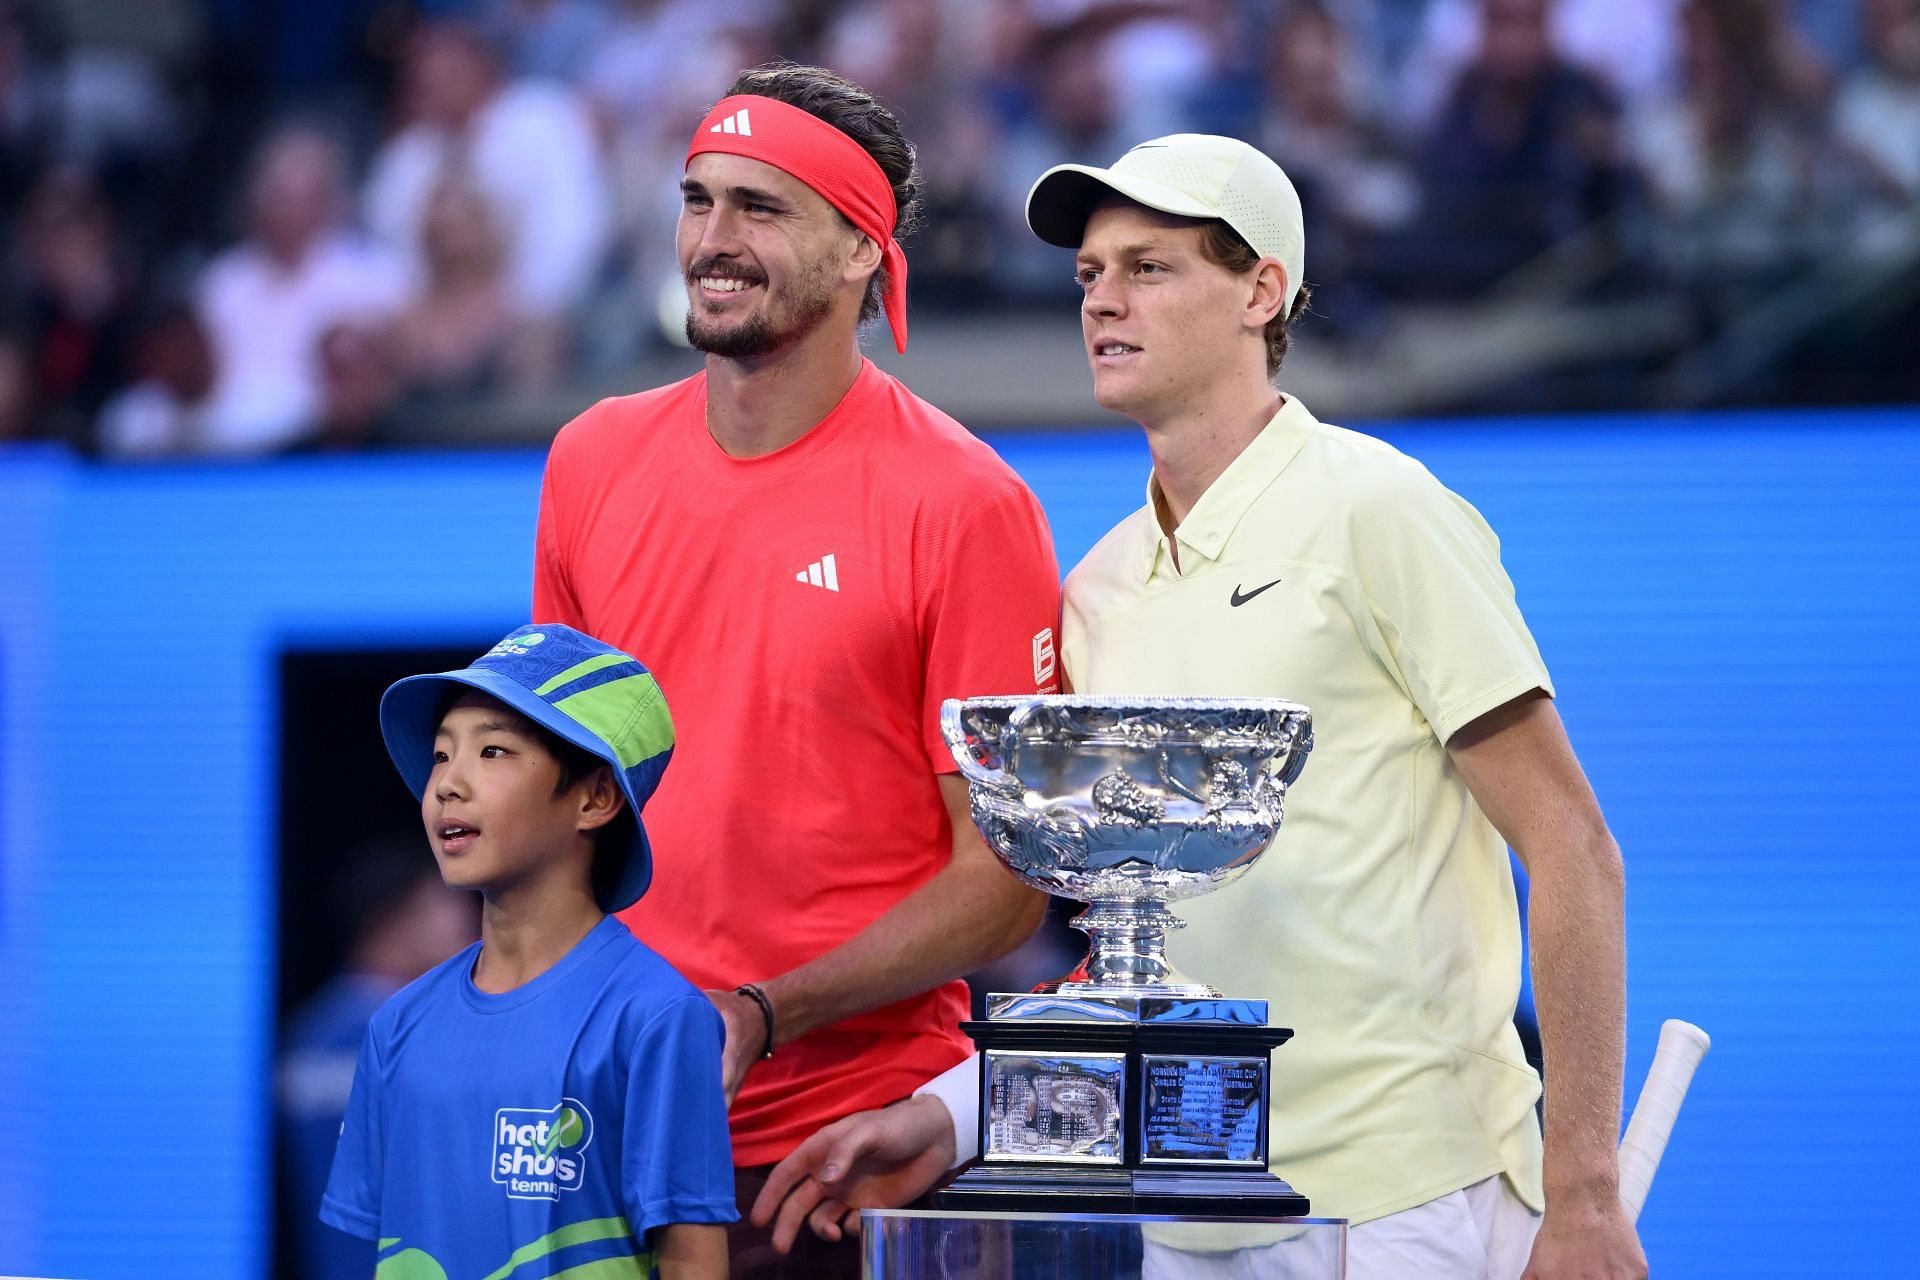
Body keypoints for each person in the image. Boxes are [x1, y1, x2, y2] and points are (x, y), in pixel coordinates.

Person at [753, 133, 1647, 1280]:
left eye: (1149, 267)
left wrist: (1582, 1192)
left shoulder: (1383, 508)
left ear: (1261, 291)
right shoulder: (1101, 584)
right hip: (1183, 1204)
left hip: (1408, 1200)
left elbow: (1573, 846)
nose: (1102, 301)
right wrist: (954, 1115)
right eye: (1089, 276)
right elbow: (1140, 944)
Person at [531, 62, 1064, 1278]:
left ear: (862, 250)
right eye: (697, 198)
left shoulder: (968, 505)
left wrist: (769, 1009)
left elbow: (1006, 886)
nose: (712, 241)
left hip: (844, 1162)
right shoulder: (591, 459)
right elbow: (562, 809)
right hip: (603, 1147)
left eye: (760, 209)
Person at [320, 625, 735, 1278]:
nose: (449, 784)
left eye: (491, 751)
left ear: (595, 798)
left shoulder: (656, 1018)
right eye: (439, 754)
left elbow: (692, 1264)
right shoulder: (396, 1025)